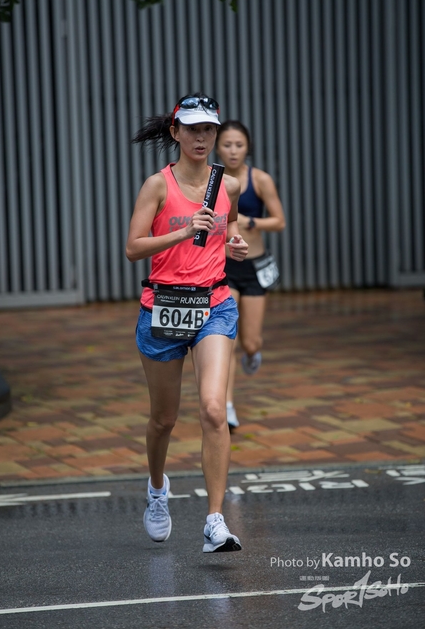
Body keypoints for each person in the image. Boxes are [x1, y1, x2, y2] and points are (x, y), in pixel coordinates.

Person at [126, 94, 248, 553]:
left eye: (209, 129)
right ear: (175, 132)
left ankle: (215, 520)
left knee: (214, 410)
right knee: (164, 419)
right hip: (164, 307)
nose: (202, 137)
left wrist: (234, 244)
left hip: (214, 303)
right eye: (193, 129)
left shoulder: (228, 184)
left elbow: (229, 229)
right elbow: (133, 247)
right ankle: (158, 489)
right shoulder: (157, 186)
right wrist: (182, 231)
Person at [216, 121, 286, 431]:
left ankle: (254, 353)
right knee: (226, 340)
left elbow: (279, 221)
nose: (233, 151)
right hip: (225, 267)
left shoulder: (260, 179)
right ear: (218, 148)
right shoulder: (213, 180)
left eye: (239, 145)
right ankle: (227, 405)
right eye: (227, 145)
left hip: (255, 267)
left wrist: (251, 222)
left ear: (248, 147)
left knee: (250, 342)